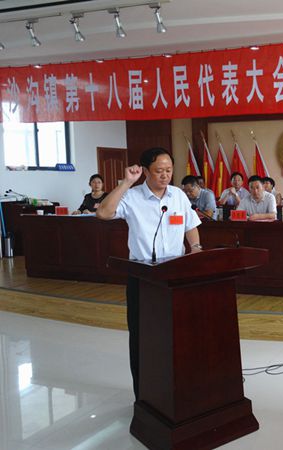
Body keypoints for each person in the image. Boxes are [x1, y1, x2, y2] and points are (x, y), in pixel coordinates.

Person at [95, 147, 201, 400]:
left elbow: (191, 225)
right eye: (158, 171)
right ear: (144, 171)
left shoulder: (178, 196)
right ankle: (145, 395)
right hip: (143, 277)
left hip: (176, 274)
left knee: (178, 335)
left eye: (169, 170)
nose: (165, 175)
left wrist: (196, 247)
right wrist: (125, 183)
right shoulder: (132, 197)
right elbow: (103, 213)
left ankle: (178, 390)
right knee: (144, 337)